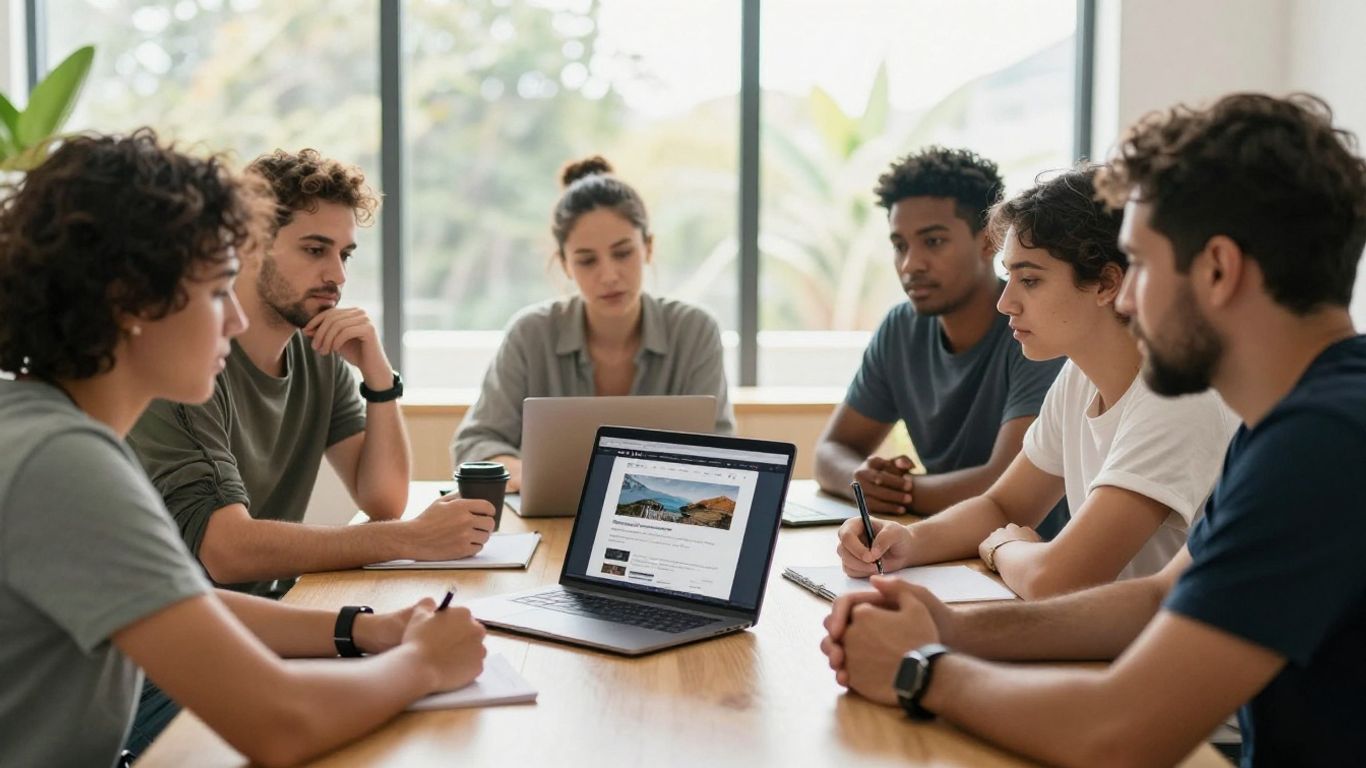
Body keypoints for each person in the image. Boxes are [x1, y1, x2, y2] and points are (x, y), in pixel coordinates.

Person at [820, 93, 1366, 767]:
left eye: (1138, 264)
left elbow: (1119, 733)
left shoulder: (1326, 444)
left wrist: (920, 667)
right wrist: (950, 626)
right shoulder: (1297, 423)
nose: (1128, 298)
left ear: (1218, 269)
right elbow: (1160, 598)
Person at [0, 130, 487, 768]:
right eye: (215, 290)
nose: (234, 318)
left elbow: (172, 598)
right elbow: (279, 723)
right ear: (130, 301)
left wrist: (370, 628)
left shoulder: (52, 430)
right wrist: (423, 662)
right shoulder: (62, 461)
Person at [836, 167, 1239, 598]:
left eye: (1029, 280)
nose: (1005, 301)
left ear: (1106, 283)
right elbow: (1004, 504)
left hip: (1166, 654)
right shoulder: (1081, 376)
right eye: (1008, 276)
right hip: (1107, 640)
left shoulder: (1178, 397)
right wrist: (907, 542)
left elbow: (1057, 578)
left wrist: (1006, 548)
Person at [129, 148, 495, 599]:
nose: (337, 275)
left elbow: (383, 500)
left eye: (345, 254)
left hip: (266, 616)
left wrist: (379, 378)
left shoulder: (318, 351)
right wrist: (411, 538)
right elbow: (226, 552)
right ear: (248, 244)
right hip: (169, 647)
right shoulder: (186, 364)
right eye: (315, 249)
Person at [812, 147, 1068, 537]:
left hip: (1029, 553)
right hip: (946, 544)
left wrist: (901, 492)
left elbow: (1003, 484)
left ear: (989, 242)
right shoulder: (901, 329)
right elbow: (831, 451)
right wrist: (863, 481)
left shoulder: (1033, 329)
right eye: (900, 245)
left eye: (932, 242)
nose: (910, 264)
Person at [452, 156, 735, 491]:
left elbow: (721, 452)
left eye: (623, 253)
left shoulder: (694, 331)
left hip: (663, 522)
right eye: (586, 261)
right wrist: (531, 475)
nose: (608, 275)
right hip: (551, 522)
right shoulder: (531, 334)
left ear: (648, 248)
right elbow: (475, 445)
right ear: (565, 265)